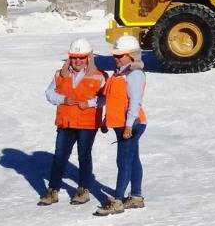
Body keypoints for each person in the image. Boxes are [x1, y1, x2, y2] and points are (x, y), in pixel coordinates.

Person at [39, 38, 106, 206]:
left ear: (88, 58)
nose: (77, 61)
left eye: (81, 57)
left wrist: (89, 103)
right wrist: (62, 99)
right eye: (74, 57)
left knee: (84, 156)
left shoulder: (99, 75)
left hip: (87, 124)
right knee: (59, 157)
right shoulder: (60, 74)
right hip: (66, 122)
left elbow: (104, 98)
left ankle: (83, 189)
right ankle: (53, 190)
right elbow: (49, 93)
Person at [95, 34, 148, 216]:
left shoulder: (134, 75)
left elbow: (134, 103)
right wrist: (105, 121)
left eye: (120, 55)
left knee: (123, 161)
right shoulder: (119, 74)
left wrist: (128, 126)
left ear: (131, 55)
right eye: (115, 55)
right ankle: (136, 196)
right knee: (132, 159)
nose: (116, 58)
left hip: (132, 124)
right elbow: (113, 101)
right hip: (122, 124)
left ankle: (117, 200)